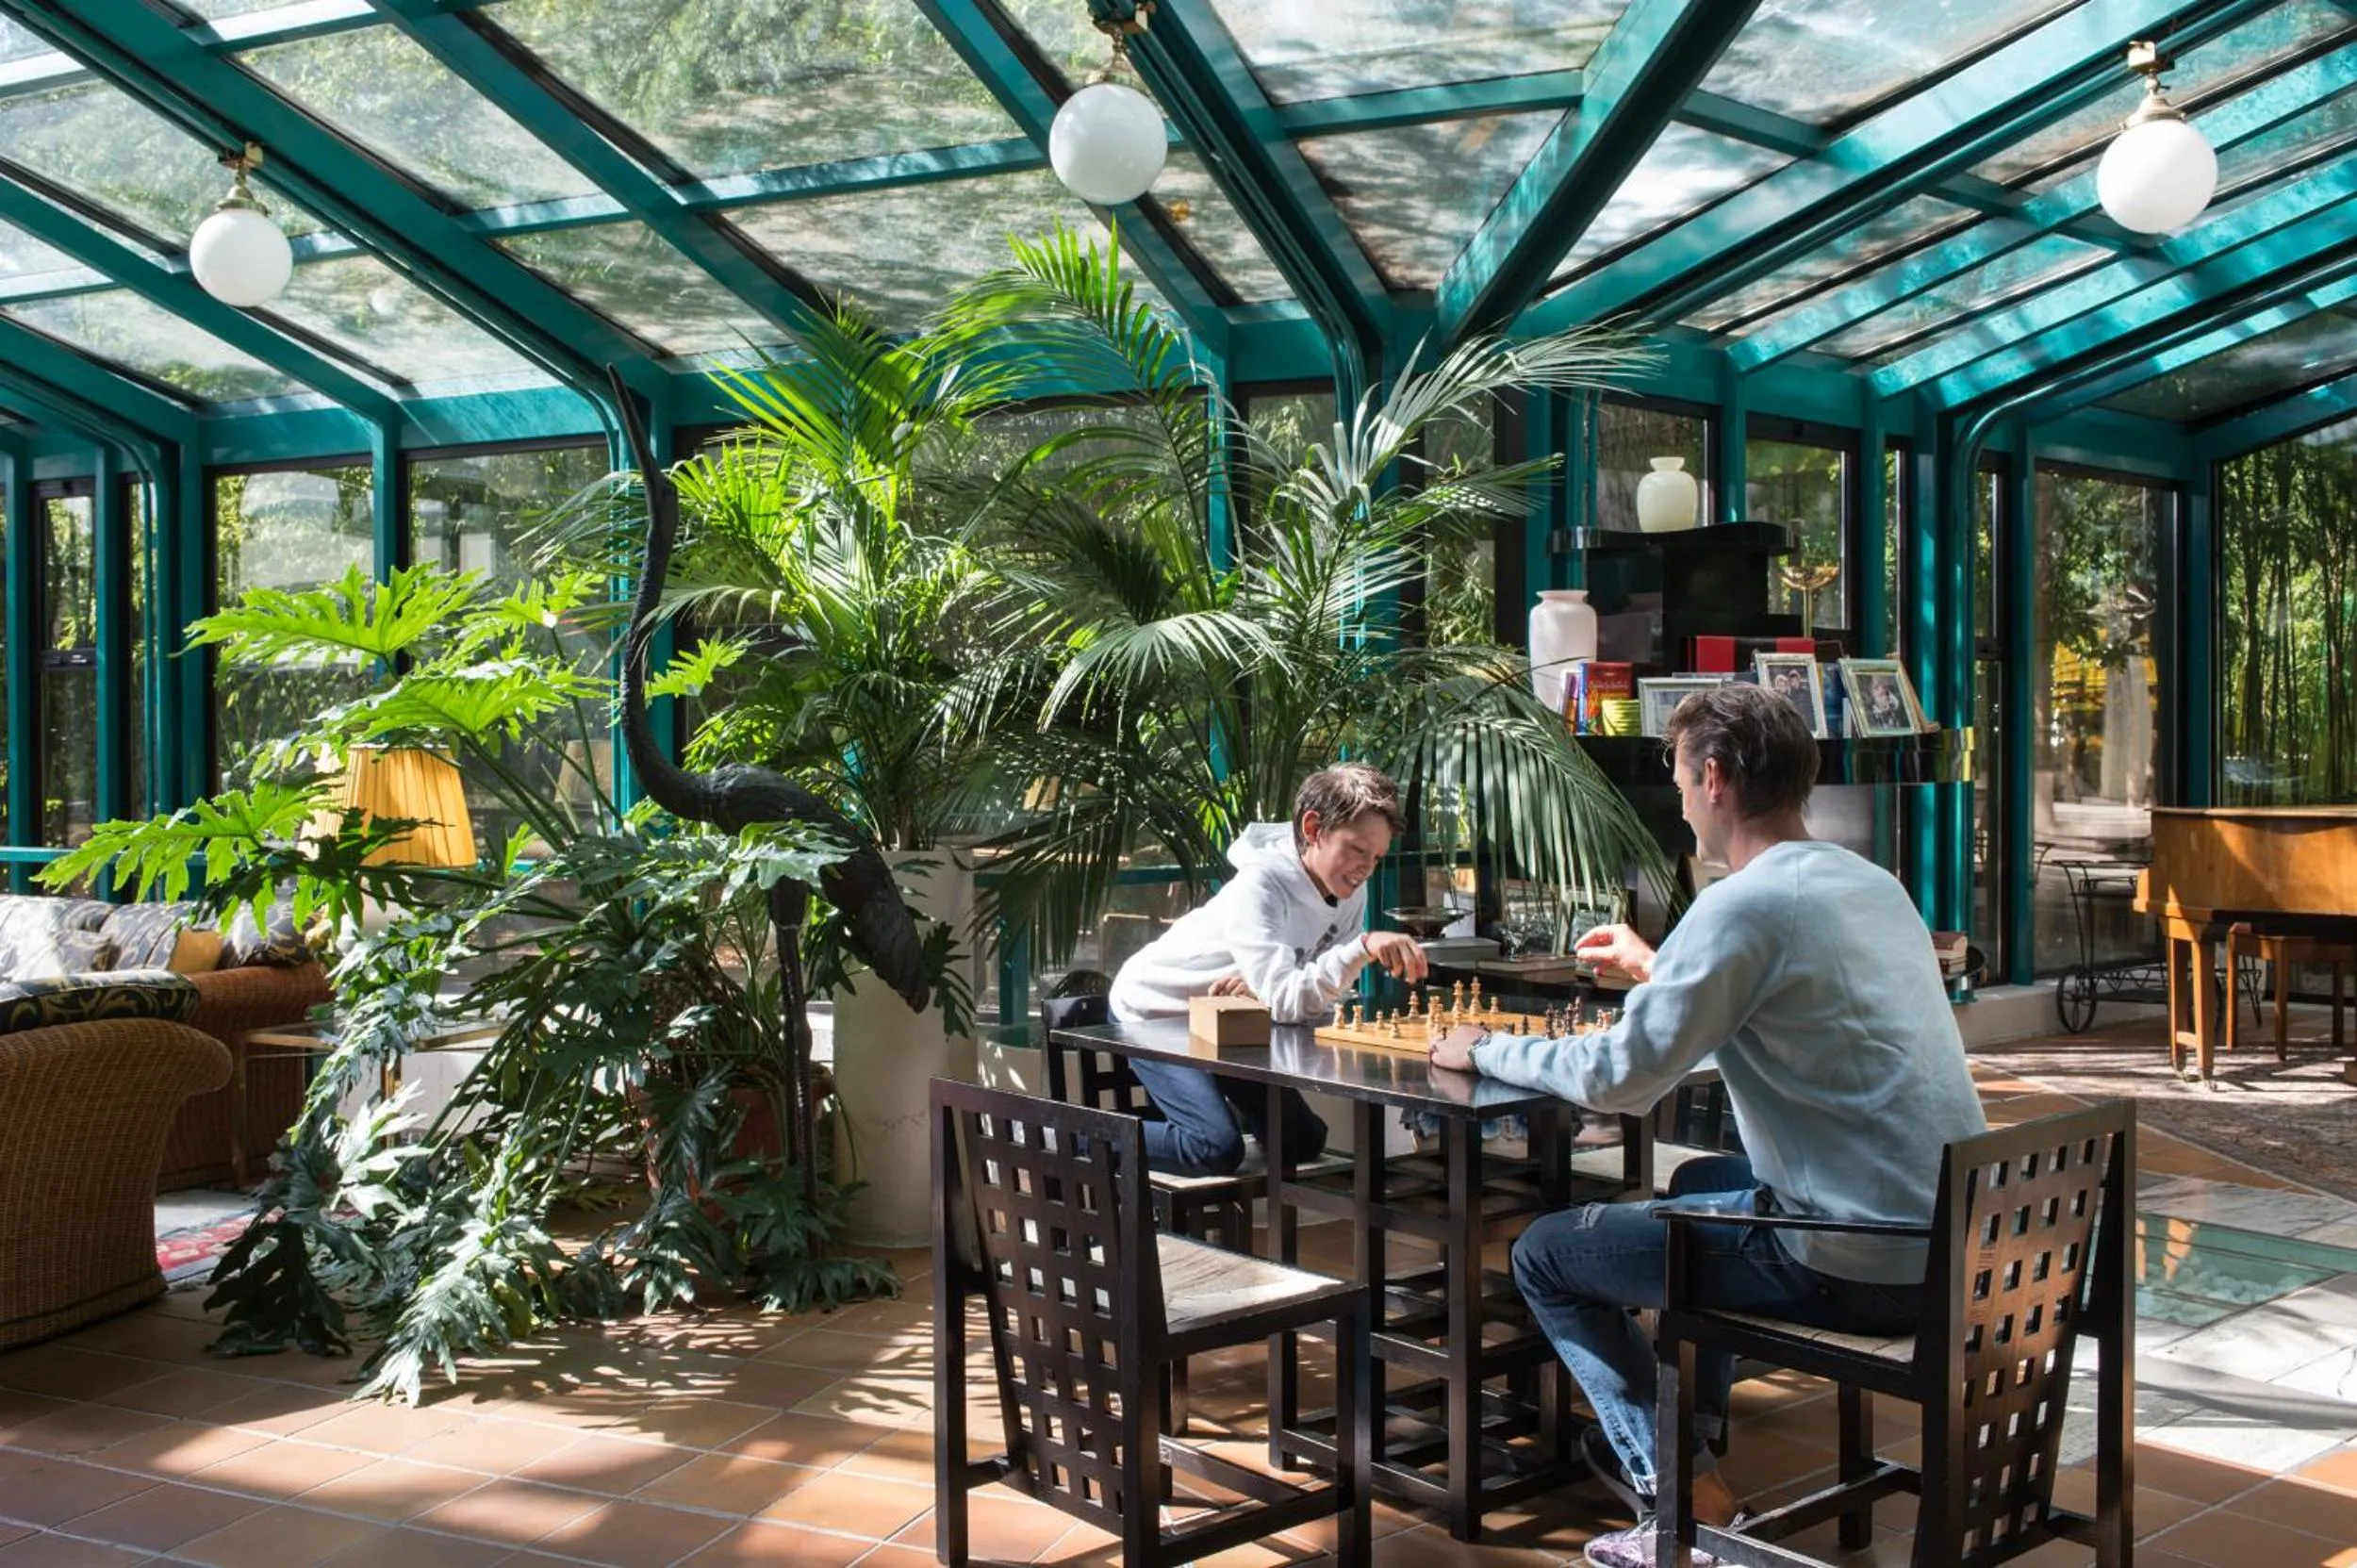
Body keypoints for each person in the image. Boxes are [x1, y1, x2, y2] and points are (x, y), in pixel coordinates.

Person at [1426, 684, 1985, 1568]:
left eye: (1682, 780)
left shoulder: (1744, 904)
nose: (1681, 800)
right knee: (1695, 1185)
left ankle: (1681, 1494)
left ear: (1716, 778)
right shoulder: (1869, 883)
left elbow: (1618, 1080)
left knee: (1546, 1253)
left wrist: (1485, 1045)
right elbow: (1793, 1007)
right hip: (1949, 1238)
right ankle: (1697, 1427)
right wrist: (1662, 968)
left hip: (1856, 1259)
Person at [1110, 762, 1429, 1176]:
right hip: (1156, 1013)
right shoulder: (1258, 886)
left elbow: (1307, 994)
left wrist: (1271, 990)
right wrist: (1360, 948)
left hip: (1232, 1018)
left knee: (1302, 1141)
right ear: (1313, 829)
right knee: (1214, 1148)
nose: (1367, 867)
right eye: (1357, 849)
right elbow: (1289, 999)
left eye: (1377, 857)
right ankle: (1065, 1137)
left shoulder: (1351, 890)